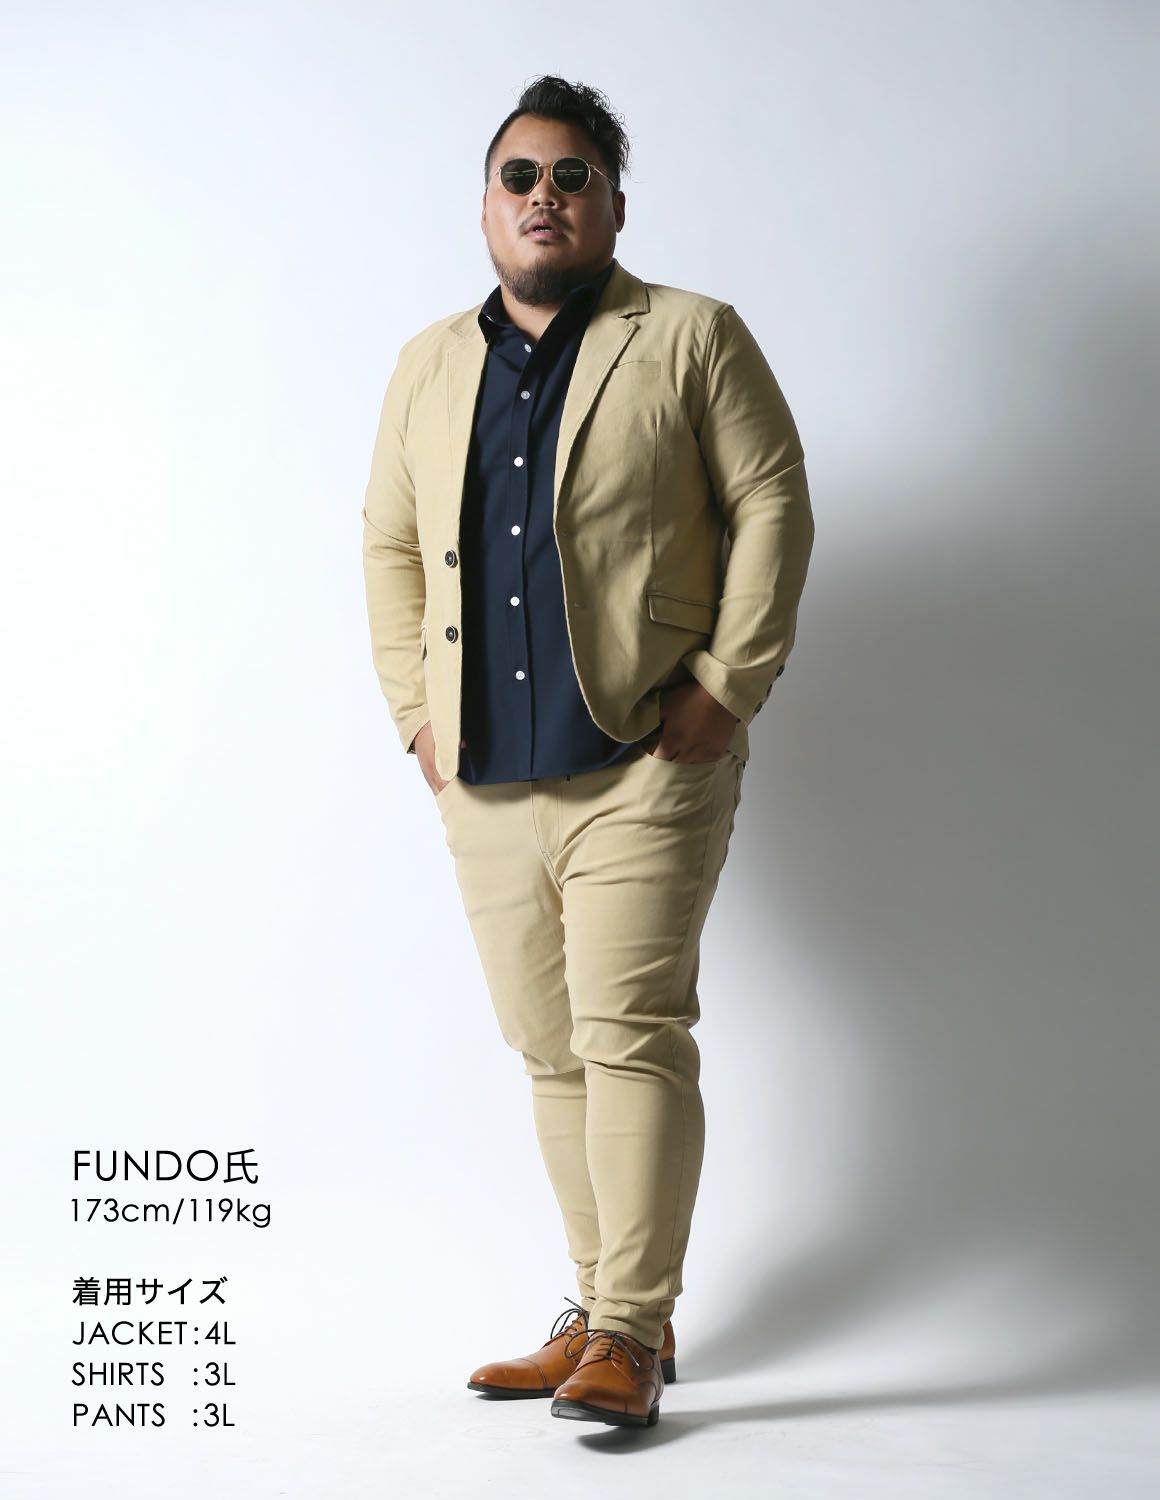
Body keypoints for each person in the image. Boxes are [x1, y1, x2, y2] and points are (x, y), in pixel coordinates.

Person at [361, 75, 815, 1429]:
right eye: (520, 176)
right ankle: (602, 1309)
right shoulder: (429, 363)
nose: (544, 197)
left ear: (614, 204)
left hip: (643, 753)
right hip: (486, 768)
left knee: (628, 1033)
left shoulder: (688, 336)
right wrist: (417, 714)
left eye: (573, 176)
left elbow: (771, 500)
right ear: (486, 206)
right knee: (550, 1047)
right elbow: (387, 543)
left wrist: (728, 685)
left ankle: (629, 1327)